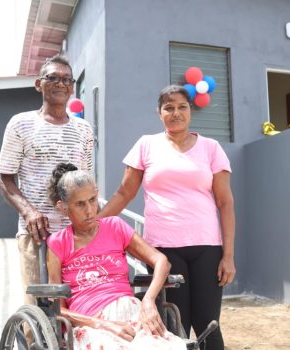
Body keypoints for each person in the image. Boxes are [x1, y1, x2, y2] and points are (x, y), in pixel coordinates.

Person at [99, 84, 236, 349]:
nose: (176, 113)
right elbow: (124, 193)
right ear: (159, 113)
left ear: (191, 111)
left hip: (207, 248)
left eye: (182, 107)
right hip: (164, 251)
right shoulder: (146, 145)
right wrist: (94, 224)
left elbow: (225, 202)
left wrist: (228, 256)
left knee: (208, 324)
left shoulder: (211, 148)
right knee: (175, 326)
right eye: (168, 108)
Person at [45, 163, 185, 349]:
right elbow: (58, 309)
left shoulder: (115, 227)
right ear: (63, 207)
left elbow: (161, 261)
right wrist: (103, 324)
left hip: (132, 310)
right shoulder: (58, 243)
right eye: (80, 204)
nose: (89, 210)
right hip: (90, 323)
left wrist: (149, 300)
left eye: (93, 200)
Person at [0, 55, 94, 306]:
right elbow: (5, 180)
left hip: (76, 233)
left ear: (72, 87)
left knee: (78, 305)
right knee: (38, 310)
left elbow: (86, 183)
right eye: (52, 78)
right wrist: (29, 212)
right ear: (39, 84)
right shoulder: (21, 123)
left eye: (66, 79)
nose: (60, 84)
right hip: (36, 234)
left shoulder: (83, 130)